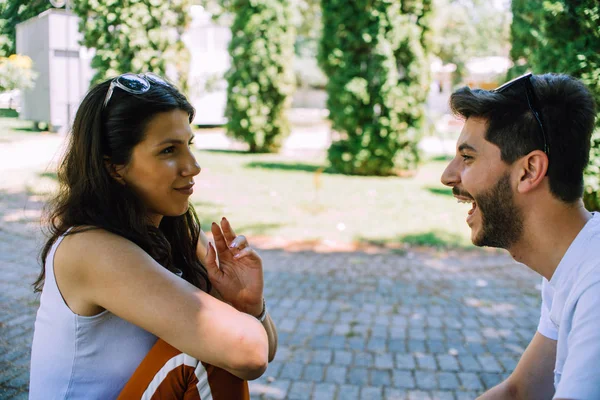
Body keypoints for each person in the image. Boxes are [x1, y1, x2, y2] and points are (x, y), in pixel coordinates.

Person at [29, 72, 277, 399]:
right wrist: (235, 321)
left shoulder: (175, 230)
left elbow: (263, 350)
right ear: (115, 167)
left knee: (218, 340)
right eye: (168, 151)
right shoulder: (89, 248)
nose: (193, 166)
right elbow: (248, 351)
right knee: (203, 354)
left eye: (188, 144)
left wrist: (247, 303)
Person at [441, 72, 599, 399]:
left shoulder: (596, 287)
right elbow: (521, 392)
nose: (448, 176)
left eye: (467, 157)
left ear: (528, 171)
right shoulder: (572, 265)